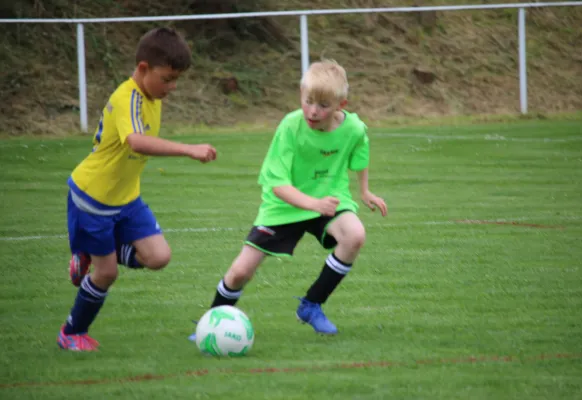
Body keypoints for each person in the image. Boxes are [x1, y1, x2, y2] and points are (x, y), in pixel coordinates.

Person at [190, 59, 387, 339]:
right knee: (240, 272)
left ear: (340, 106)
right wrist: (313, 205)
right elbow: (277, 186)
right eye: (308, 102)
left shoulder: (353, 128)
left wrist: (365, 191)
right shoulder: (290, 127)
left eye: (323, 105)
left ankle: (311, 305)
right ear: (300, 95)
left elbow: (360, 152)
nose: (313, 111)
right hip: (284, 205)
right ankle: (210, 323)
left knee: (354, 235)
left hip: (329, 198)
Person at [58, 27, 217, 351]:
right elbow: (136, 141)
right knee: (106, 274)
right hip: (94, 199)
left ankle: (90, 251)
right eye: (167, 79)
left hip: (126, 198)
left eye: (176, 81)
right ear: (143, 68)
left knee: (158, 257)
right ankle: (71, 333)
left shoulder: (152, 95)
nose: (171, 88)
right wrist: (188, 149)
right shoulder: (127, 96)